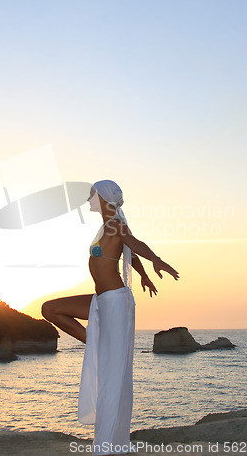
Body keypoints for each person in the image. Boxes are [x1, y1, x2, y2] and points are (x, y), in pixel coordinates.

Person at [41, 180, 179, 455]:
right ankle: (96, 342)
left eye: (92, 194)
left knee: (111, 375)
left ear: (103, 197)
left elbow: (134, 243)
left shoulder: (115, 222)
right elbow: (127, 252)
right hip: (100, 300)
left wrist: (156, 260)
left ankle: (107, 446)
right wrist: (142, 274)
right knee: (50, 309)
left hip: (114, 302)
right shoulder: (108, 226)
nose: (89, 198)